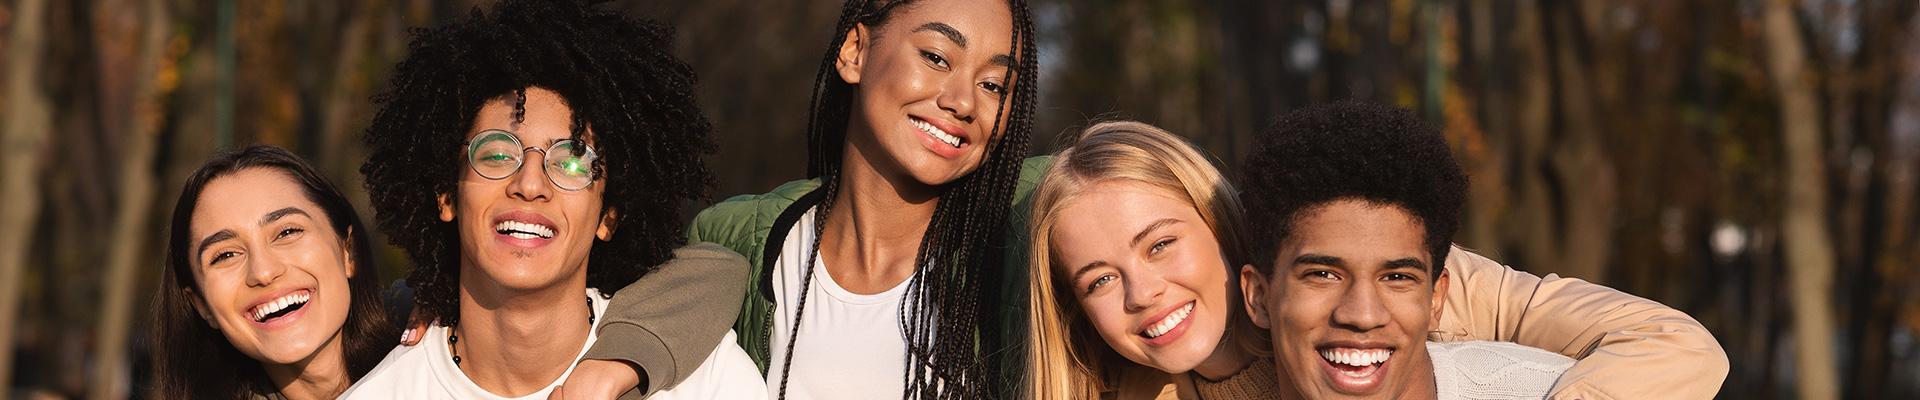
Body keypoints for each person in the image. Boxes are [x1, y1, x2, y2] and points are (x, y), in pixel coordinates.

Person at [1023, 117, 1727, 399]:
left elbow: (1673, 346)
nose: (1144, 291)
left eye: (1160, 244)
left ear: (1217, 224)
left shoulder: (1377, 282)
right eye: (1101, 279)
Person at [591, 0, 1042, 398]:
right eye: (936, 57)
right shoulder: (737, 241)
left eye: (994, 85)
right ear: (855, 52)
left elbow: (1100, 175)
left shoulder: (1022, 246)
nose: (964, 101)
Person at [342, 0, 763, 398]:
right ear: (446, 195)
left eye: (571, 163)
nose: (529, 184)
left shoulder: (709, 382)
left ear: (609, 216)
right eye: (497, 154)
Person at [1238, 102, 1714, 399]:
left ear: (1438, 296)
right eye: (1322, 274)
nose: (1362, 314)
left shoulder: (1544, 391)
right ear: (1258, 296)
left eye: (1398, 276)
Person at [150, 144, 395, 399]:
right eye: (226, 255)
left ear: (348, 251)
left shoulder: (434, 347)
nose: (263, 272)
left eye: (287, 232)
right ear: (201, 304)